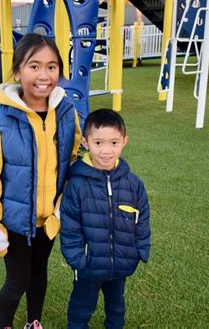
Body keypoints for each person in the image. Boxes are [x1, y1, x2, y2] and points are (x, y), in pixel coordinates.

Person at [0, 33, 81, 329]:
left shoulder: (66, 111)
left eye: (51, 66)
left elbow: (72, 161)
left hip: (49, 219)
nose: (44, 75)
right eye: (34, 66)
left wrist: (62, 208)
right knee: (17, 281)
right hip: (15, 221)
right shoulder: (0, 115)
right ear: (18, 70)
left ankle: (34, 322)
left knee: (39, 274)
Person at [60, 108, 151, 329]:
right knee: (81, 307)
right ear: (85, 142)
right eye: (98, 143)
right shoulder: (77, 184)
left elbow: (143, 220)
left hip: (122, 262)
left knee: (116, 305)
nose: (106, 151)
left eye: (113, 143)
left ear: (124, 142)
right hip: (89, 265)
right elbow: (70, 227)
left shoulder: (133, 183)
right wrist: (78, 260)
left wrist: (140, 251)